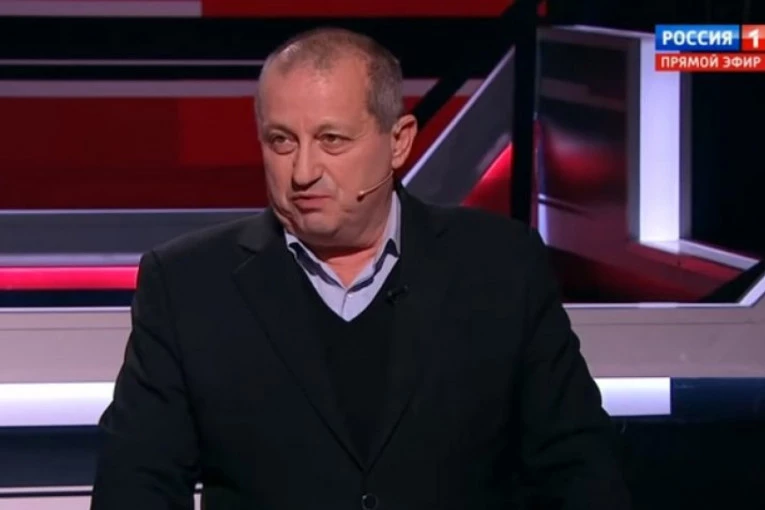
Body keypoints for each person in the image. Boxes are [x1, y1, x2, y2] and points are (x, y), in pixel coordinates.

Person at [91, 27, 631, 510]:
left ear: (398, 142)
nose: (303, 171)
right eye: (281, 141)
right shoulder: (187, 286)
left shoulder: (501, 266)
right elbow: (135, 485)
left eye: (332, 140)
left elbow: (579, 469)